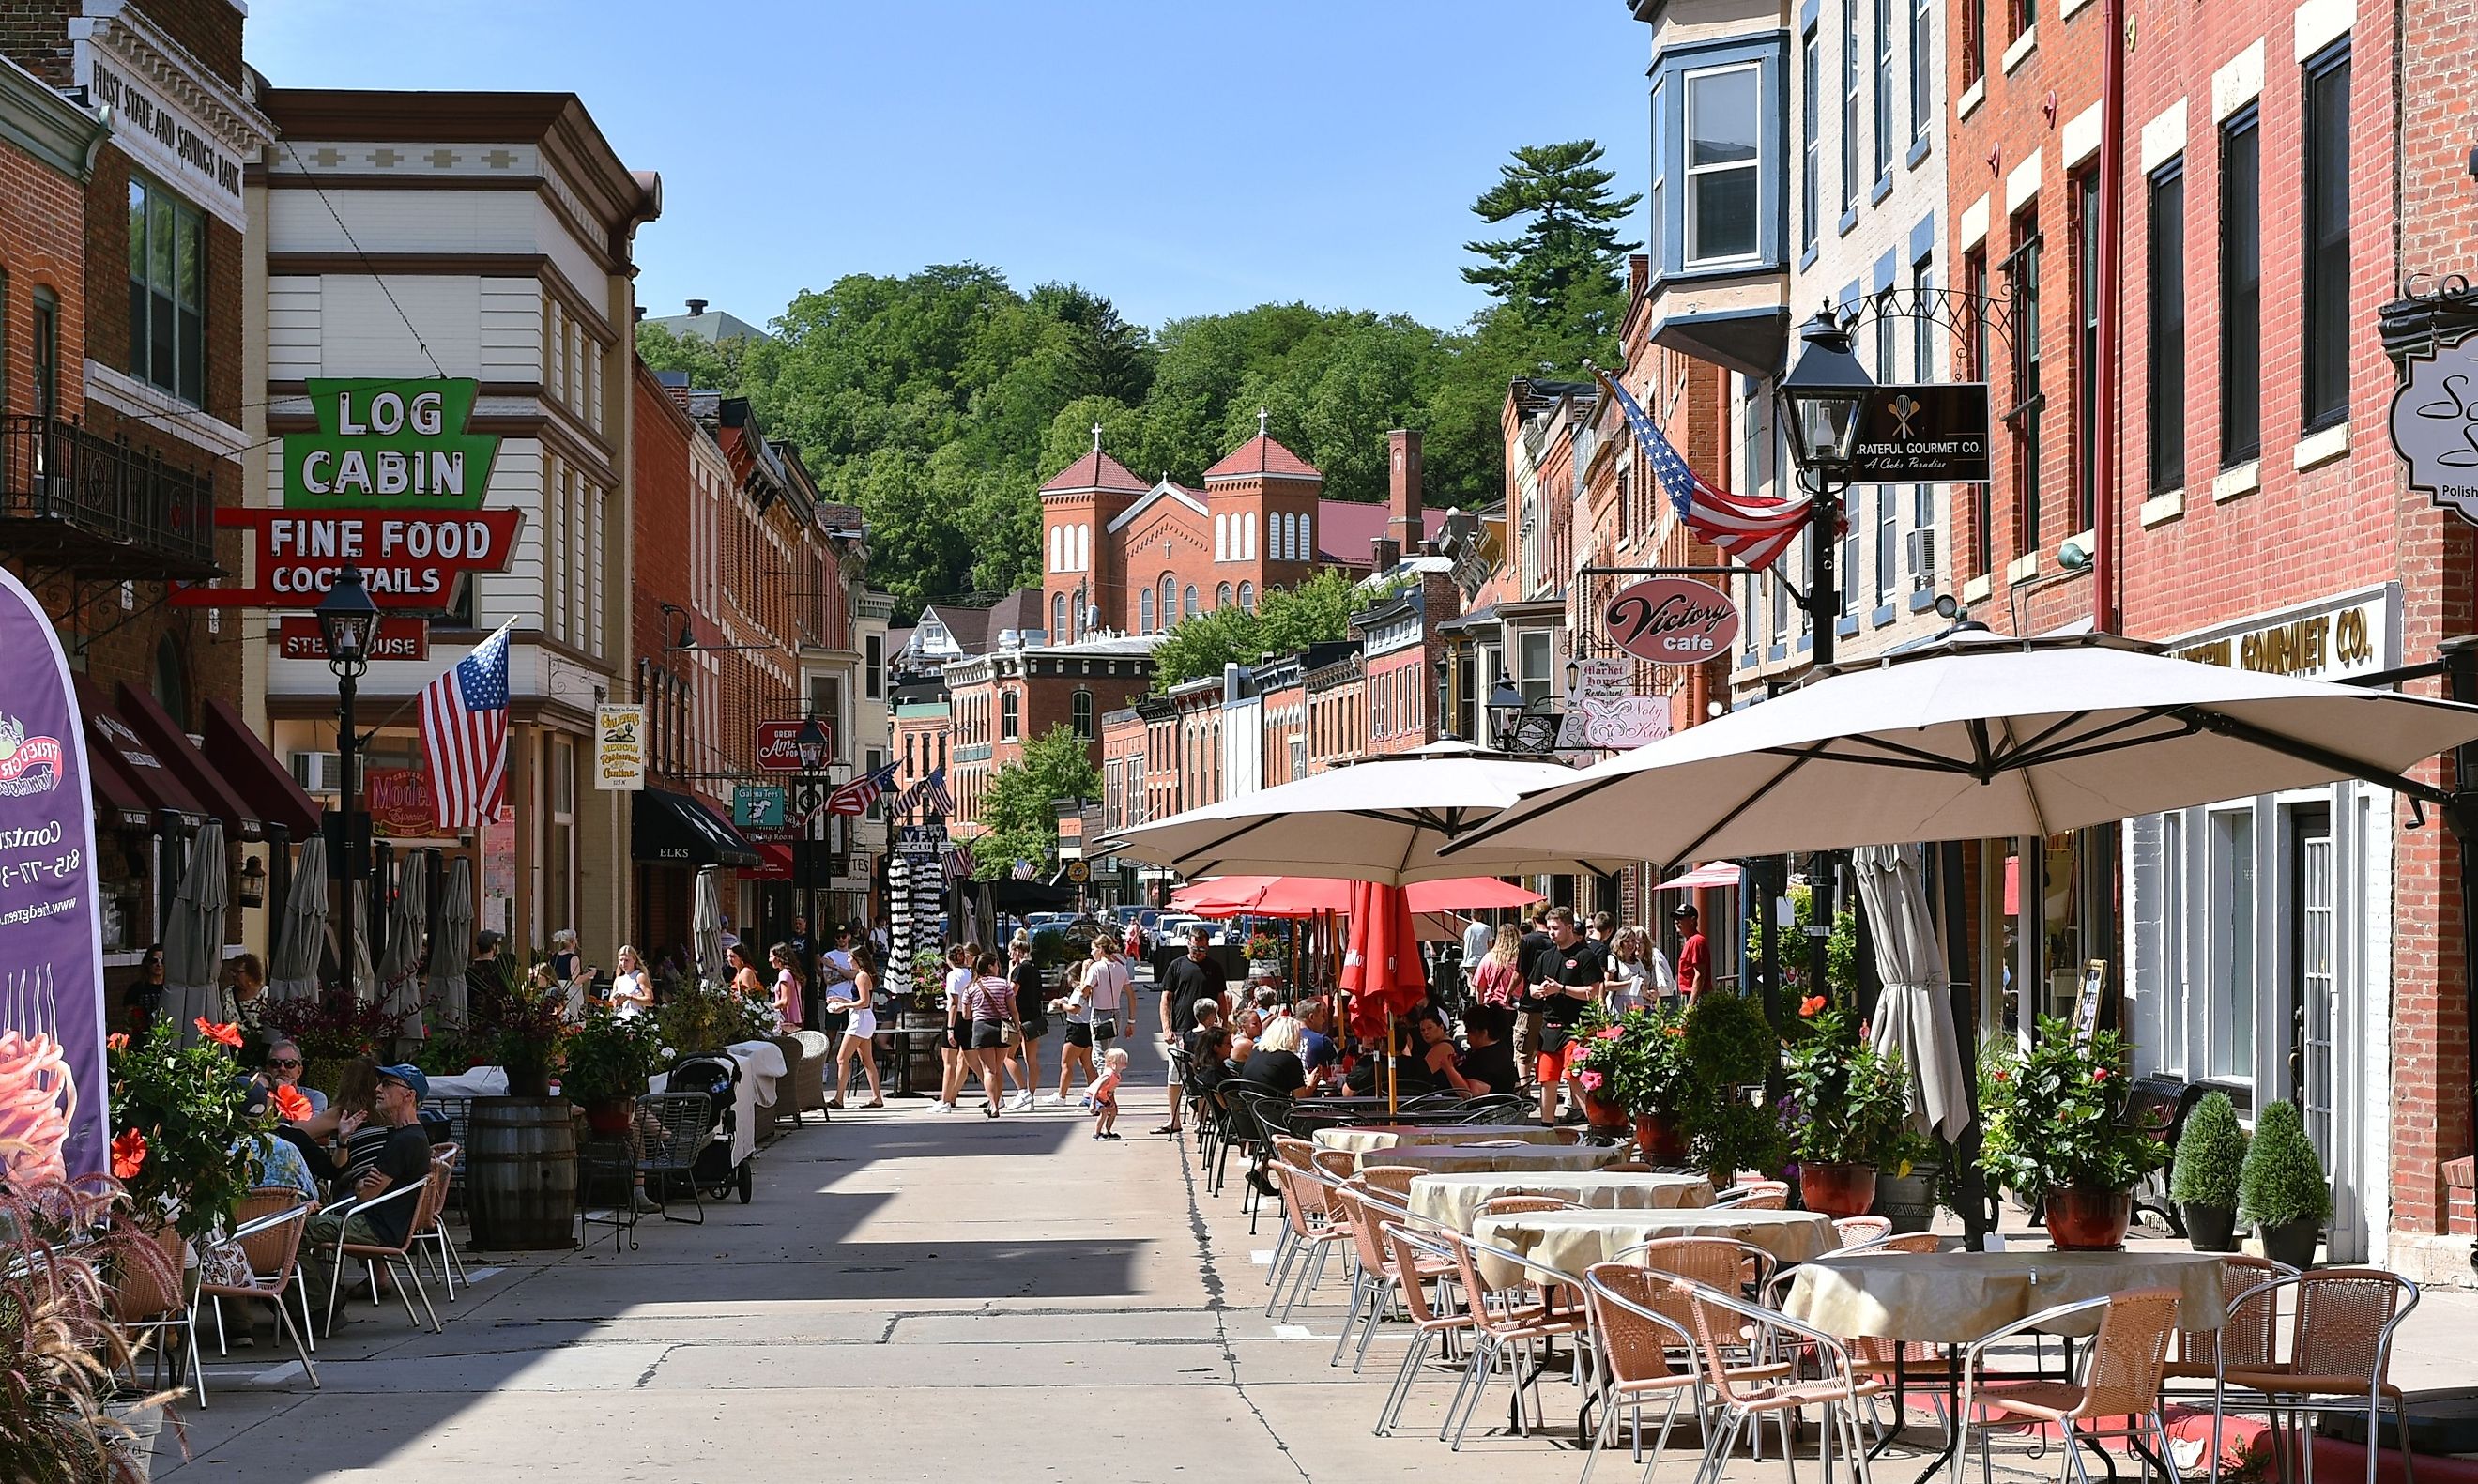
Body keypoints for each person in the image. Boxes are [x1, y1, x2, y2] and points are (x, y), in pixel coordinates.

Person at [304, 1064, 436, 1313]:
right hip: (382, 1223)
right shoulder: (407, 1135)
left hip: (375, 1228)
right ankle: (319, 1298)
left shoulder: (405, 1141)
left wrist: (357, 1182)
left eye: (387, 1084)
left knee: (295, 1230)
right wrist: (345, 1143)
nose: (377, 1089)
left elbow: (364, 1196)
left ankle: (319, 1304)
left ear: (409, 1095)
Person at [1529, 908, 1609, 1127]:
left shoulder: (1585, 956)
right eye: (1550, 929)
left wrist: (1561, 989)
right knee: (1547, 1079)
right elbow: (1532, 986)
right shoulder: (1546, 956)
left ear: (1569, 928)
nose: (1552, 933)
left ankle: (1597, 1125)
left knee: (1574, 1076)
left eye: (1556, 928)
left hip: (1576, 1028)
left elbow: (1593, 991)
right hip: (1549, 1027)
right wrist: (1537, 991)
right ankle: (1546, 1127)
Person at [1154, 926, 1218, 1136]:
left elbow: (1222, 998)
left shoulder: (1214, 967)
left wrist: (1224, 1025)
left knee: (1204, 1074)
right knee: (1176, 1075)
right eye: (1194, 948)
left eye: (1201, 949)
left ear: (1207, 947)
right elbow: (1166, 998)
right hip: (1181, 1029)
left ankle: (1202, 1118)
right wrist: (1166, 1027)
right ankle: (1174, 1119)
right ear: (1188, 944)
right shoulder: (1177, 966)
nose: (1197, 953)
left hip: (1207, 1032)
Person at [960, 948, 1018, 1117]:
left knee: (988, 1070)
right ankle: (998, 1102)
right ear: (991, 967)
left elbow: (966, 1015)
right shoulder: (1003, 984)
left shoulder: (971, 987)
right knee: (998, 1069)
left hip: (981, 1028)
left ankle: (993, 1105)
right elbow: (1013, 1010)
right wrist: (1017, 1027)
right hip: (1002, 1028)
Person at [824, 941, 883, 1109]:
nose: (848, 960)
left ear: (858, 959)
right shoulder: (863, 975)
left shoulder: (861, 976)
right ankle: (876, 1097)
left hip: (860, 1019)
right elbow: (860, 1000)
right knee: (867, 1061)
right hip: (863, 1018)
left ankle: (839, 1098)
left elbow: (864, 1002)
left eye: (850, 958)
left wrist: (843, 1006)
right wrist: (840, 1000)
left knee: (842, 1058)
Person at [1006, 936, 1049, 1110]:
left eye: (1011, 952)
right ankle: (1030, 1096)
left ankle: (1022, 1091)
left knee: (1007, 1056)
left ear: (1017, 951)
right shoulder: (1033, 968)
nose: (1010, 955)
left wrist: (1010, 973)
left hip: (1020, 1017)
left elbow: (1010, 992)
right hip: (1034, 1016)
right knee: (1031, 1059)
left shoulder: (1020, 969)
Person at [1514, 910, 1555, 1082]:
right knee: (1545, 1050)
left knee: (1523, 1049)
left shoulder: (1528, 940)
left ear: (1533, 919)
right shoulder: (1557, 942)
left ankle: (1525, 1088)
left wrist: (1508, 992)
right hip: (1552, 1004)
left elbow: (1520, 972)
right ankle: (1545, 1084)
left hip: (1530, 1004)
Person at [939, 944, 978, 1112]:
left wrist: (950, 1028)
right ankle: (995, 1095)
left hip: (956, 1019)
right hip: (969, 1018)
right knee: (974, 1062)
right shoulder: (971, 974)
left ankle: (945, 1101)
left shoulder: (953, 975)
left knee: (949, 1063)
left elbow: (954, 1003)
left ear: (950, 959)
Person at [1458, 1003, 1521, 1096]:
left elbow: (1470, 1094)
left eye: (1469, 1032)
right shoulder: (1499, 1048)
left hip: (1484, 1108)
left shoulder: (1485, 1058)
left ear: (1483, 1033)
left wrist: (1449, 1069)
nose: (1467, 1040)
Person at [1239, 1016, 1308, 1097]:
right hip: (1274, 1107)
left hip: (1248, 1105)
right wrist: (1311, 1084)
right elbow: (1300, 1100)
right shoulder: (1290, 1059)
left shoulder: (1255, 1052)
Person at [257, 1039, 329, 1115]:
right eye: (275, 1063)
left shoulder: (314, 1097)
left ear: (300, 1071)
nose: (282, 1068)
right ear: (268, 1069)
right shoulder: (260, 1096)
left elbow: (308, 1125)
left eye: (290, 1063)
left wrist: (286, 1092)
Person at [221, 952, 270, 1055]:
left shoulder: (266, 994)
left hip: (259, 1052)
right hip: (235, 1051)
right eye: (232, 971)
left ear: (251, 974)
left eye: (238, 972)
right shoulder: (227, 995)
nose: (234, 975)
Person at [1603, 926, 1657, 1014]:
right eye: (1627, 941)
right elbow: (1606, 985)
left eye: (1633, 941)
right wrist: (1629, 983)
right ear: (1620, 943)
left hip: (1636, 1007)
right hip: (1618, 1007)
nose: (1631, 944)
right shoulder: (1613, 960)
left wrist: (1647, 993)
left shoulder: (1638, 962)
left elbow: (1644, 987)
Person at [121, 943, 167, 1039]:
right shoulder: (136, 989)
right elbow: (128, 1019)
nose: (159, 964)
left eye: (163, 961)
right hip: (142, 1038)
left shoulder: (170, 989)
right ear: (147, 963)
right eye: (154, 961)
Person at [1295, 999, 1341, 1092]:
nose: (1324, 1020)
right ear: (1312, 1017)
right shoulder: (1323, 1041)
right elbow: (1337, 1070)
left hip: (1289, 1097)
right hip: (1316, 1097)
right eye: (1322, 1016)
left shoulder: (1285, 1039)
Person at [1090, 1047, 1128, 1140]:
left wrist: (1112, 1102)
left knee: (1113, 1110)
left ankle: (1107, 1131)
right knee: (1104, 1112)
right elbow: (1096, 1089)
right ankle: (1096, 1134)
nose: (1125, 1063)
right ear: (1113, 1064)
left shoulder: (1116, 1075)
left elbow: (1111, 1091)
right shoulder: (1108, 1075)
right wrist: (1093, 1103)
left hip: (1102, 1096)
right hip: (1092, 1095)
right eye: (1122, 1061)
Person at [1673, 903, 1710, 1000]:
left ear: (1692, 920)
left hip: (1696, 997)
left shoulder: (1696, 941)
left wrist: (1691, 1004)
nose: (1676, 921)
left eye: (1680, 918)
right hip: (1688, 995)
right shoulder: (1690, 941)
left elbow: (1699, 974)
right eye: (1675, 918)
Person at [607, 945, 654, 1017]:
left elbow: (650, 1001)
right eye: (621, 960)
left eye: (626, 960)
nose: (623, 964)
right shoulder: (618, 980)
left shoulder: (639, 976)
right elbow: (611, 1003)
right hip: (619, 1019)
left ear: (634, 959)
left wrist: (629, 998)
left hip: (635, 1018)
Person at [767, 943, 805, 1032]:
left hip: (787, 1022)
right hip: (796, 1020)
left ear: (779, 957)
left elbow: (785, 1001)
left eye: (771, 956)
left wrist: (768, 1007)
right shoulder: (792, 973)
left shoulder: (784, 974)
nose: (769, 960)